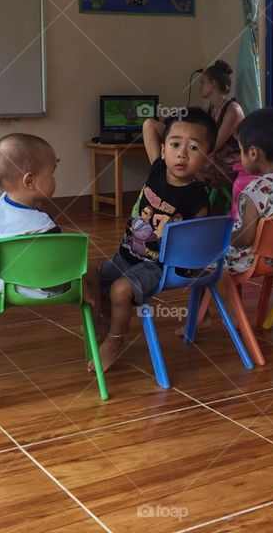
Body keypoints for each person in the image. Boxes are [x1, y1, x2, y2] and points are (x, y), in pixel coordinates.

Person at [87, 108, 215, 373]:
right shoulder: (157, 167)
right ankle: (106, 319)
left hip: (157, 266)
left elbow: (195, 247)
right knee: (88, 274)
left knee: (120, 290)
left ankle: (115, 340)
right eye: (175, 144)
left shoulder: (197, 199)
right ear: (164, 147)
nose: (181, 154)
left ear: (206, 159)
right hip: (125, 254)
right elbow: (148, 125)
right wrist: (171, 127)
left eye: (193, 148)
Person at [0, 133, 68, 299]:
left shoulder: (2, 202)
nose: (54, 179)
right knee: (90, 273)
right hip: (33, 287)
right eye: (52, 172)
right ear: (29, 181)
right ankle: (96, 322)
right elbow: (56, 264)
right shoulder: (43, 224)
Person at [141, 60, 245, 195]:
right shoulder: (210, 109)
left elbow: (212, 146)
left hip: (224, 166)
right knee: (150, 125)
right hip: (206, 158)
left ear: (213, 84)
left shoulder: (233, 110)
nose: (199, 86)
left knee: (179, 164)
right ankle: (158, 170)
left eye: (203, 82)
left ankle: (170, 190)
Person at [224, 108, 273, 274]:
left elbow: (245, 238)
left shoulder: (255, 191)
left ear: (252, 152)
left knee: (210, 255)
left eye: (240, 150)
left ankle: (225, 299)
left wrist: (224, 239)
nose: (239, 157)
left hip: (256, 259)